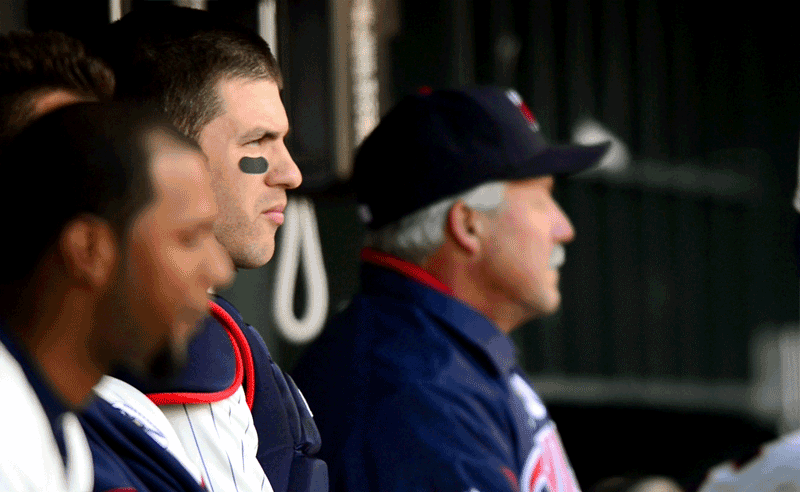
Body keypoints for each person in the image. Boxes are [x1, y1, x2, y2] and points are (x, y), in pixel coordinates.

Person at [291, 86, 609, 492]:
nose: (564, 228)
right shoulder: (417, 391)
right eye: (542, 199)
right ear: (468, 224)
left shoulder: (442, 354)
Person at [86, 6, 327, 492]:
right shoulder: (178, 339)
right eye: (258, 142)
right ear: (165, 154)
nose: (290, 173)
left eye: (283, 140)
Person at [0, 101, 233, 491]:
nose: (219, 270)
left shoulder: (64, 424)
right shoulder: (9, 432)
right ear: (89, 249)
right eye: (189, 238)